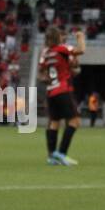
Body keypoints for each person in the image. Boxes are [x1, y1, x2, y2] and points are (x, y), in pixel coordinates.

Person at [40, 25, 84, 165]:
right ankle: (62, 153)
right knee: (75, 122)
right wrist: (81, 37)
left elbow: (44, 72)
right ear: (57, 37)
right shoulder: (62, 48)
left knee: (54, 122)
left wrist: (71, 67)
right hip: (63, 90)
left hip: (51, 91)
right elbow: (81, 50)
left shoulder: (46, 53)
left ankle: (52, 156)